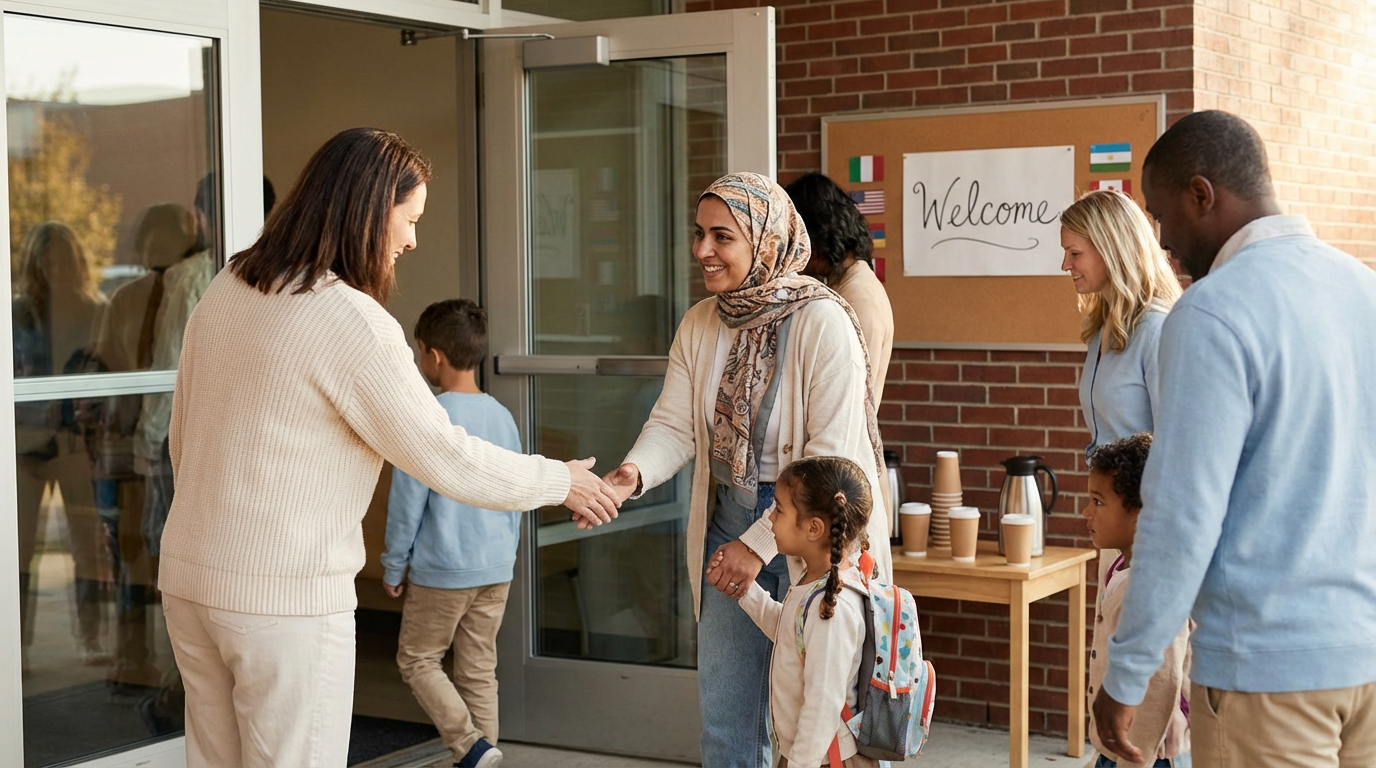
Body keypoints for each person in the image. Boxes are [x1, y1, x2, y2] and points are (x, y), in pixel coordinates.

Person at [158, 127, 619, 768]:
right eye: (410, 219)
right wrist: (559, 481)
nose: (412, 240)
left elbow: (183, 435)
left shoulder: (229, 284)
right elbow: (444, 456)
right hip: (285, 600)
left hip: (191, 578)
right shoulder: (350, 320)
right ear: (371, 211)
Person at [1093, 111, 1376, 767]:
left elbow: (1182, 513)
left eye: (1162, 215)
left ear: (1202, 194)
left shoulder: (1211, 311)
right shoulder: (1364, 289)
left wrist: (1128, 672)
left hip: (1266, 673)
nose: (1163, 240)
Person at [601, 172, 887, 766]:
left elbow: (831, 458)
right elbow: (674, 424)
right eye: (699, 233)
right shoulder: (700, 322)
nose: (702, 250)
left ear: (767, 241)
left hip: (817, 535)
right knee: (727, 722)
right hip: (730, 520)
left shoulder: (824, 322)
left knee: (830, 728)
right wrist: (632, 474)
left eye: (722, 237)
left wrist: (758, 546)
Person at [381, 299, 517, 768]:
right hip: (495, 567)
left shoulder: (429, 417)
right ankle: (482, 758)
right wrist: (505, 554)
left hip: (443, 568)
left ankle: (470, 747)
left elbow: (407, 502)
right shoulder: (502, 416)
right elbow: (516, 489)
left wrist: (394, 564)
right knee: (478, 668)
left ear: (433, 355)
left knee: (417, 659)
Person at [727, 455, 879, 768]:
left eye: (779, 510)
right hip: (811, 754)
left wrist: (797, 764)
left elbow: (823, 703)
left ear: (813, 528)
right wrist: (747, 592)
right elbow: (794, 635)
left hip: (824, 758)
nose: (770, 519)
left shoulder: (831, 606)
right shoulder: (816, 585)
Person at [12, 221, 108, 666]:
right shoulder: (15, 314)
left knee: (86, 546)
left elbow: (103, 374)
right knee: (18, 551)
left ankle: (91, 637)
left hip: (73, 444)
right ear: (33, 264)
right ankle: (16, 649)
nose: (54, 269)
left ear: (75, 262)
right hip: (22, 447)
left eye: (62, 260)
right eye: (45, 261)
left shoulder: (94, 310)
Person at [1082, 434, 1189, 768]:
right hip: (1114, 747)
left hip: (1144, 753)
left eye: (1098, 502)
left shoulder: (1156, 586)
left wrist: (1134, 758)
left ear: (1143, 511)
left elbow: (1161, 684)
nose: (1086, 512)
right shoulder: (1120, 563)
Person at [1059, 189, 1182, 456]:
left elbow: (1175, 445)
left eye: (1075, 253)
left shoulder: (1156, 330)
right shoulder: (1101, 328)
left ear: (1111, 250)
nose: (1065, 265)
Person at [784, 172, 894, 402]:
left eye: (794, 238)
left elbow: (847, 398)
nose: (790, 252)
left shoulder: (859, 295)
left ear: (814, 237)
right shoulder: (849, 284)